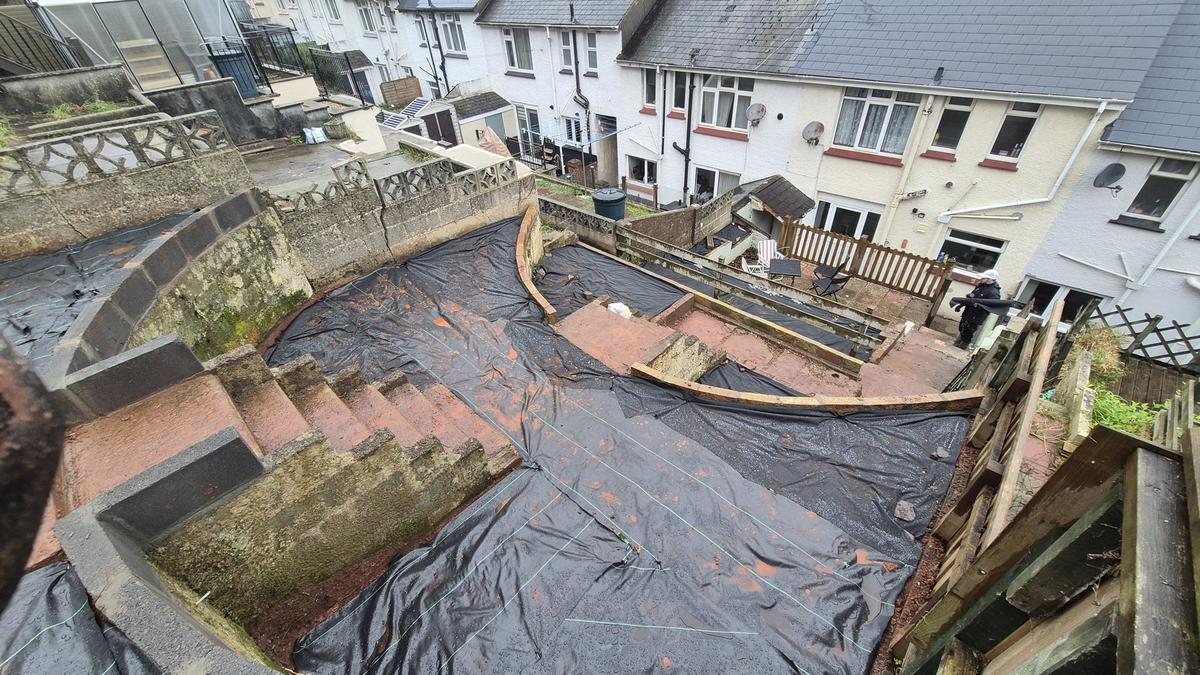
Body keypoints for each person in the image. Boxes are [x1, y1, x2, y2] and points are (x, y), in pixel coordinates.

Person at [954, 269, 1001, 349]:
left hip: (976, 316)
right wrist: (962, 304)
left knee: (968, 332)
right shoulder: (981, 286)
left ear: (989, 279)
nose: (981, 279)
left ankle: (961, 348)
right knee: (962, 328)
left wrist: (976, 304)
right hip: (968, 313)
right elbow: (972, 297)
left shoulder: (994, 293)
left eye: (983, 278)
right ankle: (957, 344)